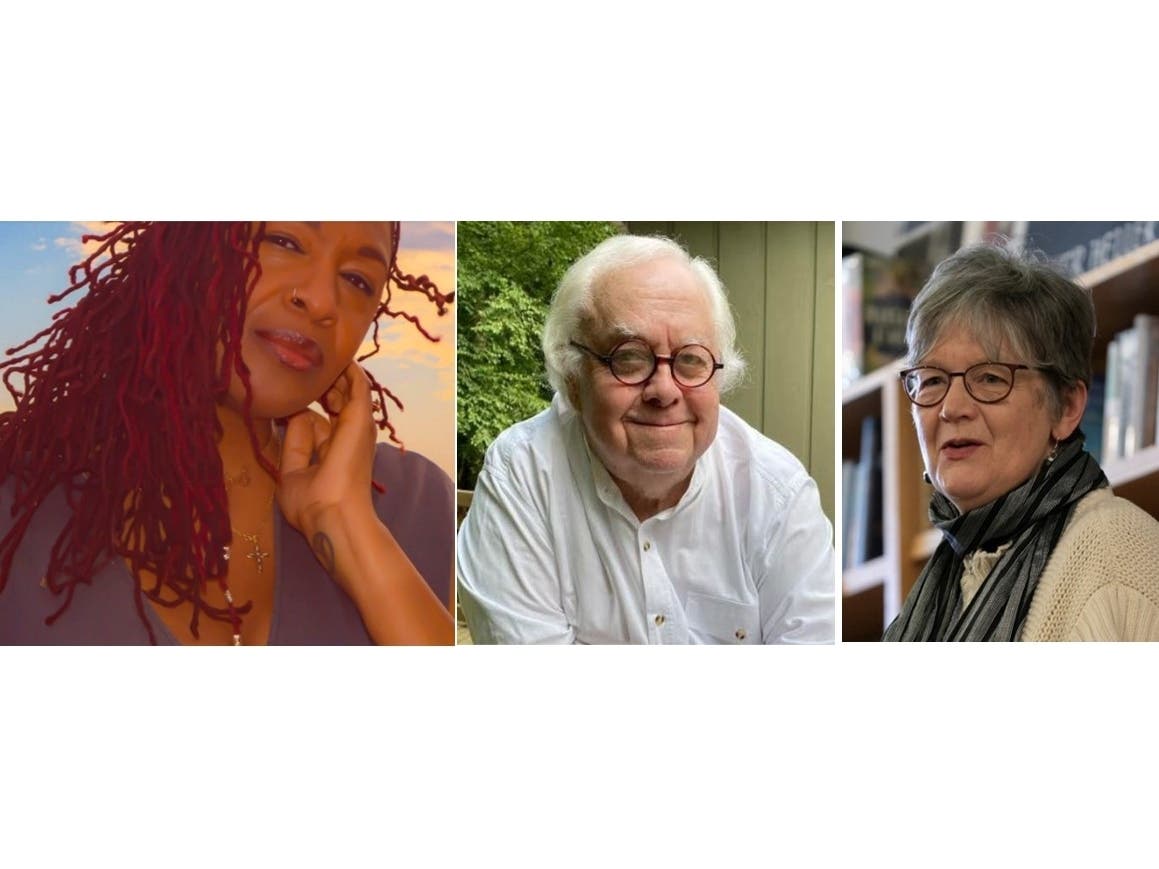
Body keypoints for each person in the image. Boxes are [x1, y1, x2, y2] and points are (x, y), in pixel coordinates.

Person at [0, 221, 455, 645]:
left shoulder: (418, 505)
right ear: (190, 244)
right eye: (284, 241)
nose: (320, 301)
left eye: (357, 280)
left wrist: (349, 526)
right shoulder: (20, 500)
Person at [456, 234, 835, 644]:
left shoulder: (777, 495)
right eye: (629, 358)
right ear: (572, 379)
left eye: (691, 360)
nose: (665, 391)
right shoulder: (523, 477)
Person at [884, 243, 1159, 641]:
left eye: (990, 378)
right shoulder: (948, 573)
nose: (951, 408)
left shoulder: (1118, 559)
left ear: (1066, 407)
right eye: (932, 380)